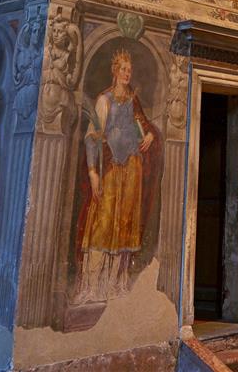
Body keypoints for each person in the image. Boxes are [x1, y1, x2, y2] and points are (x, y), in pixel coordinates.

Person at [76, 50, 158, 303]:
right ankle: (93, 285)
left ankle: (115, 282)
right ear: (115, 71)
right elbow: (93, 137)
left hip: (132, 166)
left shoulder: (132, 100)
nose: (127, 74)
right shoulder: (105, 100)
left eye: (129, 70)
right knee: (104, 220)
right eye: (123, 69)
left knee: (126, 221)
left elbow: (144, 124)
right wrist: (93, 173)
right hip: (112, 167)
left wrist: (150, 135)